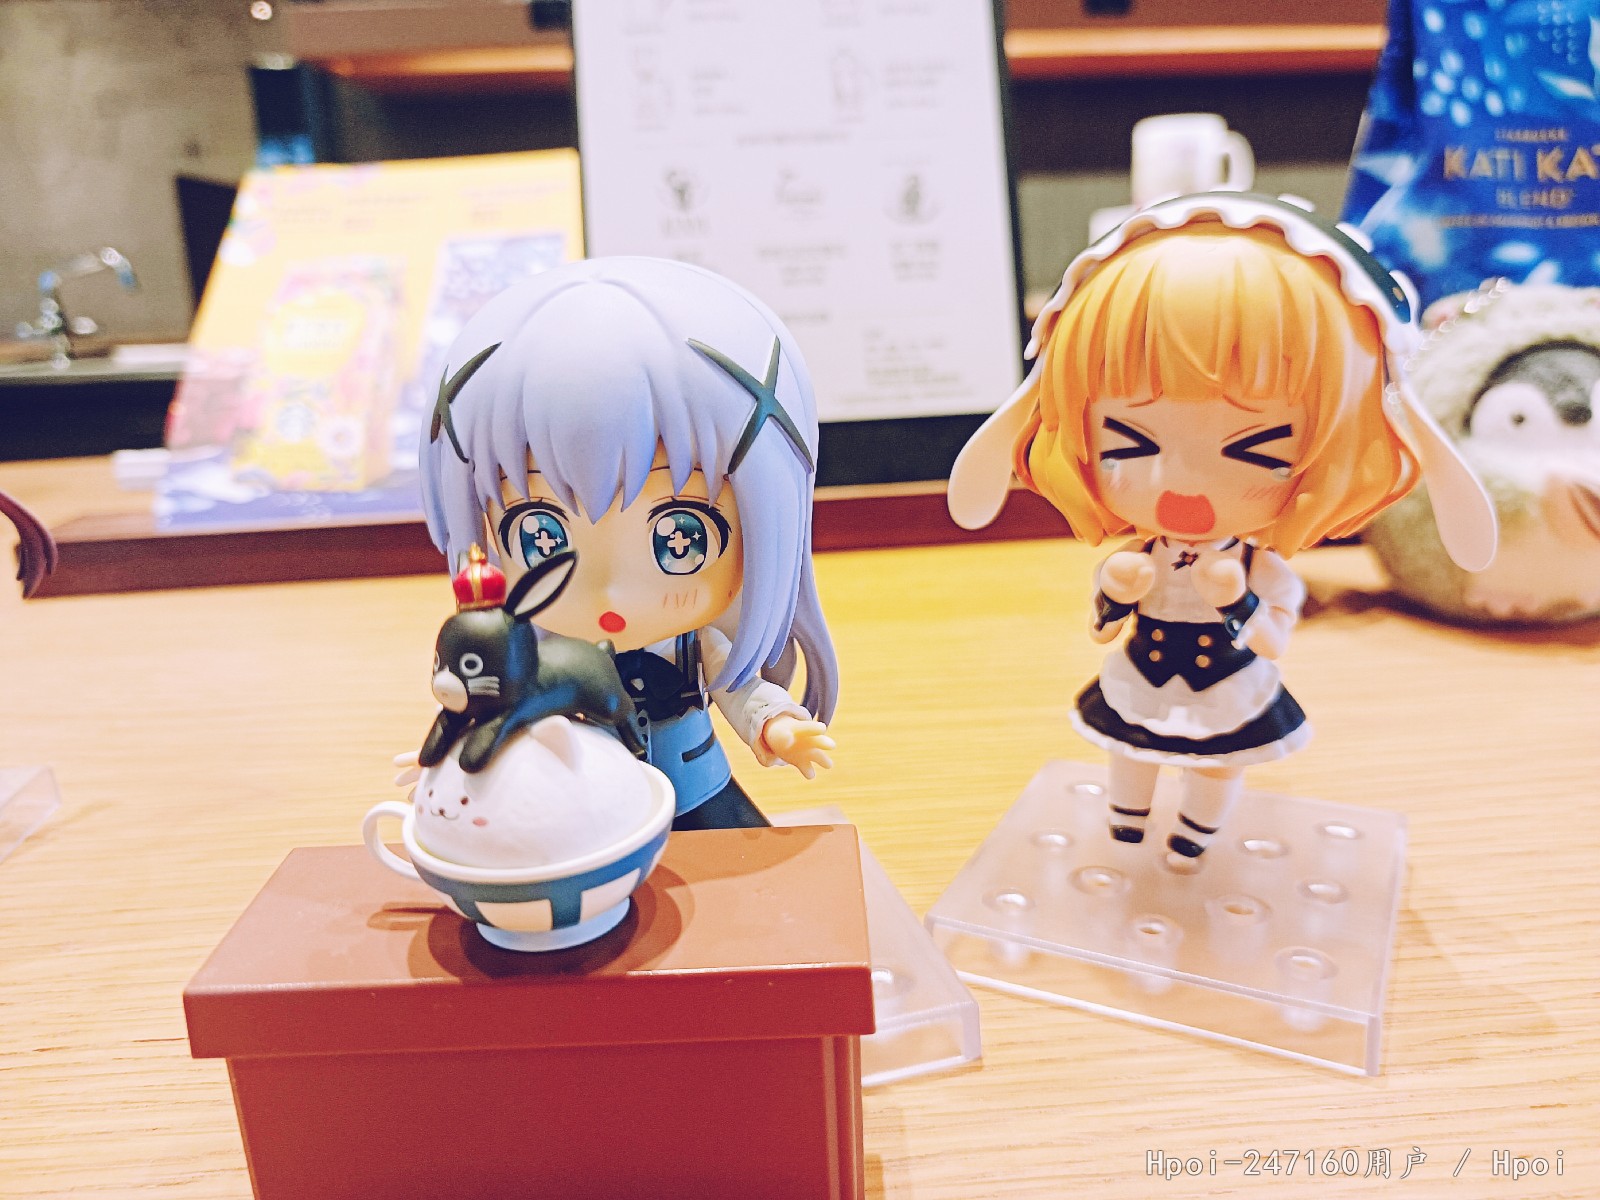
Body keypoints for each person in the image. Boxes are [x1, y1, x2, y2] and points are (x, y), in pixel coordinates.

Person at [949, 196, 1496, 868]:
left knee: (1216, 766)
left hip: (1228, 691)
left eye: (1259, 452)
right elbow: (1100, 629)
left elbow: (1272, 640)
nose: (1182, 486)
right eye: (1128, 443)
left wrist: (1235, 598)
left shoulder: (1263, 573)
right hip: (1143, 679)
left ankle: (1192, 838)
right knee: (1130, 753)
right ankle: (1126, 825)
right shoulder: (1144, 553)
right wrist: (1115, 593)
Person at [418, 256, 837, 830]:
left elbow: (741, 692)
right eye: (542, 537)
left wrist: (778, 726)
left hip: (696, 789)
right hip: (589, 803)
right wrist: (454, 760)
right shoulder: (541, 654)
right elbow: (504, 706)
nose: (611, 590)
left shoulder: (696, 647)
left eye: (680, 538)